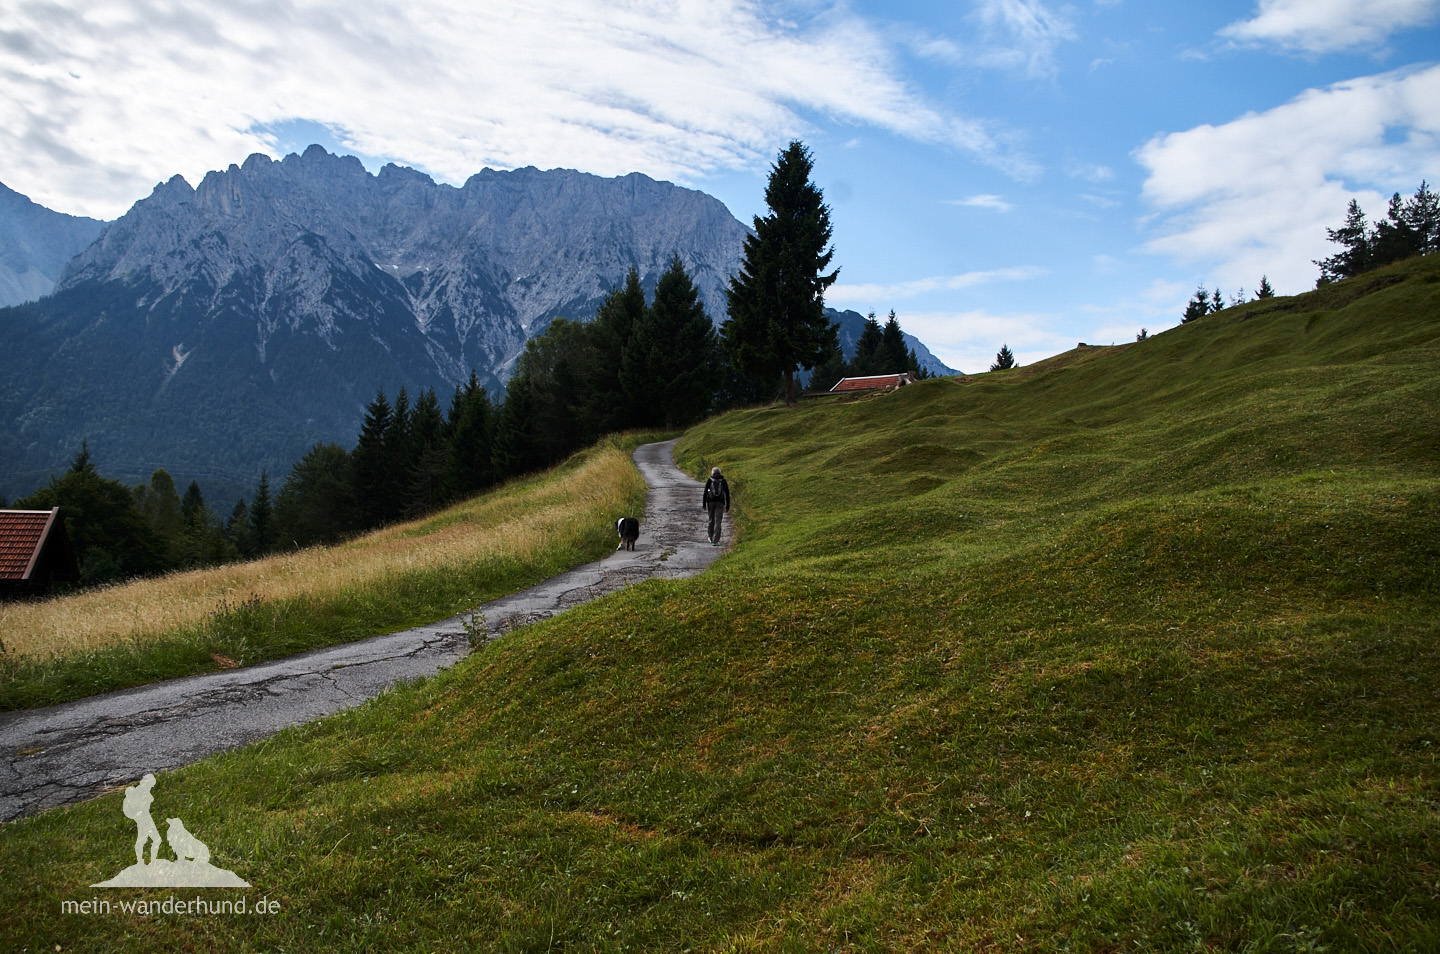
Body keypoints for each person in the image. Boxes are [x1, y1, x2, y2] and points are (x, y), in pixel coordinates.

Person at [123, 773, 163, 866]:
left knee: (151, 839)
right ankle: (144, 861)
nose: (152, 785)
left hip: (146, 817)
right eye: (151, 783)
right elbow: (134, 807)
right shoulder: (139, 792)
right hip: (143, 818)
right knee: (149, 839)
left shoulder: (144, 791)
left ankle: (148, 861)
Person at [702, 466, 730, 546]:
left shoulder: (710, 481)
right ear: (720, 473)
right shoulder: (723, 481)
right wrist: (728, 506)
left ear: (713, 473)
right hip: (720, 503)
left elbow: (706, 491)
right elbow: (727, 493)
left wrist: (704, 504)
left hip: (710, 502)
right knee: (718, 521)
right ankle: (716, 540)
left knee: (711, 520)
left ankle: (710, 538)